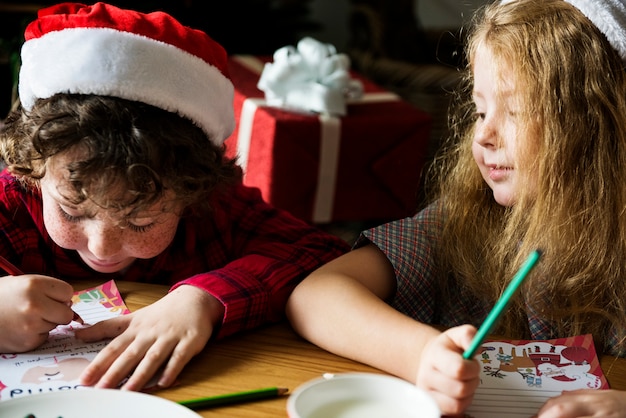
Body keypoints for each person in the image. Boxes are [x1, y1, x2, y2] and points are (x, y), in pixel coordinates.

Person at [286, 0, 626, 416]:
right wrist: (423, 356)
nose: (483, 134)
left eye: (515, 111)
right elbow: (315, 297)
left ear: (597, 123)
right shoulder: (468, 219)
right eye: (481, 110)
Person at [0, 2, 349, 391]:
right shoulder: (8, 205)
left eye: (141, 221)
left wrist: (204, 300)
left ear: (192, 193)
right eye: (71, 210)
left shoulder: (214, 209)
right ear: (32, 169)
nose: (103, 246)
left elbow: (319, 252)